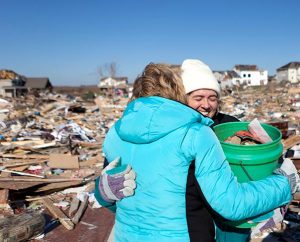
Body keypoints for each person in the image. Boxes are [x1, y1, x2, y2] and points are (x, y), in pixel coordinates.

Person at [95, 62, 294, 242]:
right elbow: (230, 202)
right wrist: (283, 184)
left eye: (212, 98)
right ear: (181, 96)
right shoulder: (196, 134)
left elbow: (117, 199)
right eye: (198, 97)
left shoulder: (116, 132)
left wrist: (263, 210)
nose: (206, 105)